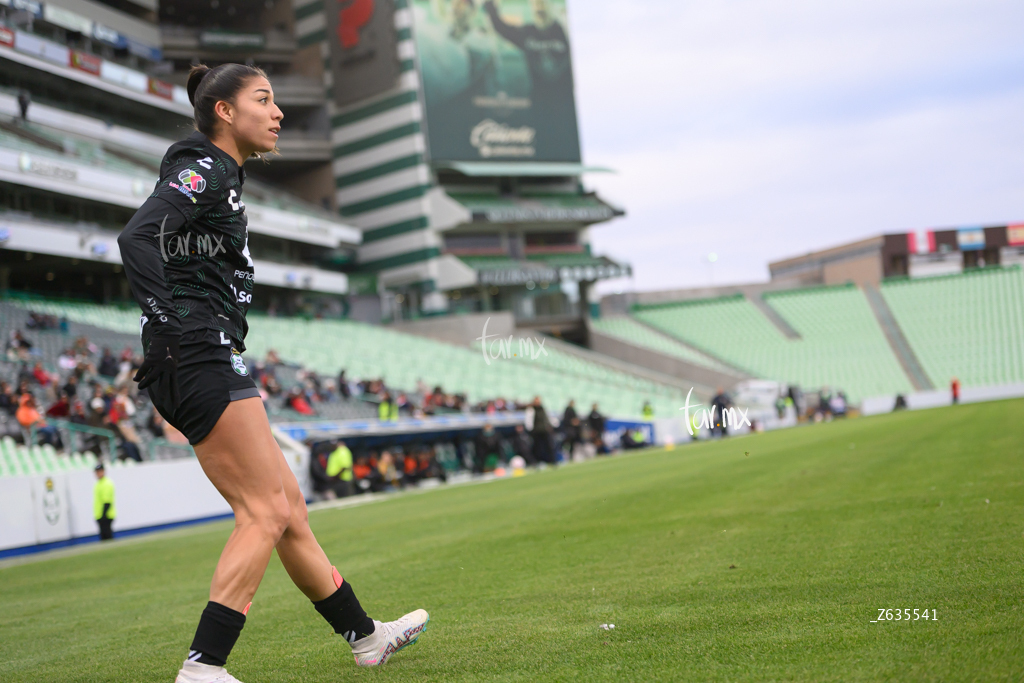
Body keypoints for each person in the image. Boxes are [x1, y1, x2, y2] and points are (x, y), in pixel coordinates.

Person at [117, 63, 427, 683]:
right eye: (264, 99)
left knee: (288, 511)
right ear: (225, 112)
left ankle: (366, 637)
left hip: (201, 351)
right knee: (264, 511)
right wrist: (170, 324)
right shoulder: (203, 167)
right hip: (197, 351)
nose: (278, 112)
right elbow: (137, 237)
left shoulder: (219, 174)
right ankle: (203, 668)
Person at [93, 463, 116, 541]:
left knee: (107, 536)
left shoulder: (106, 483)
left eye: (100, 471)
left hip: (106, 515)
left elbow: (107, 501)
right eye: (97, 472)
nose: (98, 473)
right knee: (104, 537)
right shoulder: (99, 483)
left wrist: (103, 515)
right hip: (100, 514)